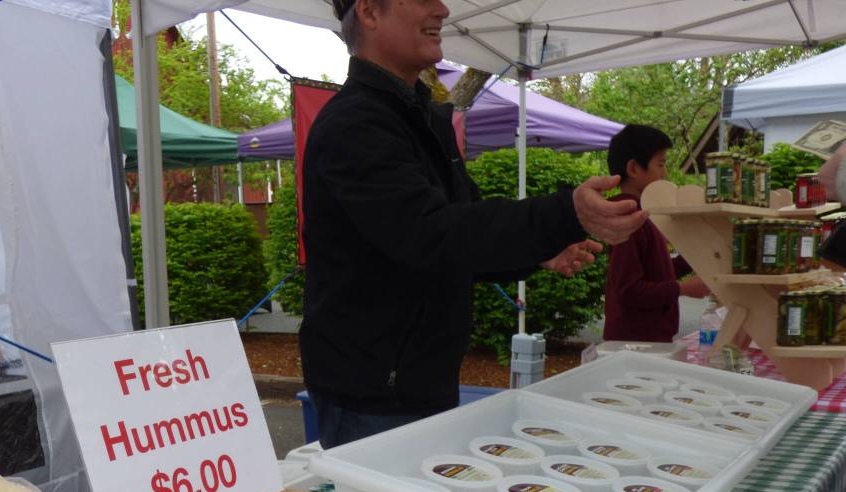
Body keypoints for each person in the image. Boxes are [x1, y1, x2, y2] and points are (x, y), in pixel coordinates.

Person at [299, 0, 649, 449]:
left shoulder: (418, 116)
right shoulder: (356, 124)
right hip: (374, 394)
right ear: (368, 12)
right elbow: (428, 234)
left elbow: (459, 234)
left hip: (414, 380)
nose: (442, 9)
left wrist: (539, 251)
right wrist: (566, 214)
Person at [602, 124, 710, 343]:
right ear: (633, 168)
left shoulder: (643, 215)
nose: (665, 173)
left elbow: (658, 272)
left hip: (649, 339)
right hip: (633, 344)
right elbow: (629, 290)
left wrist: (694, 255)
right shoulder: (628, 219)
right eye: (660, 164)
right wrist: (684, 288)